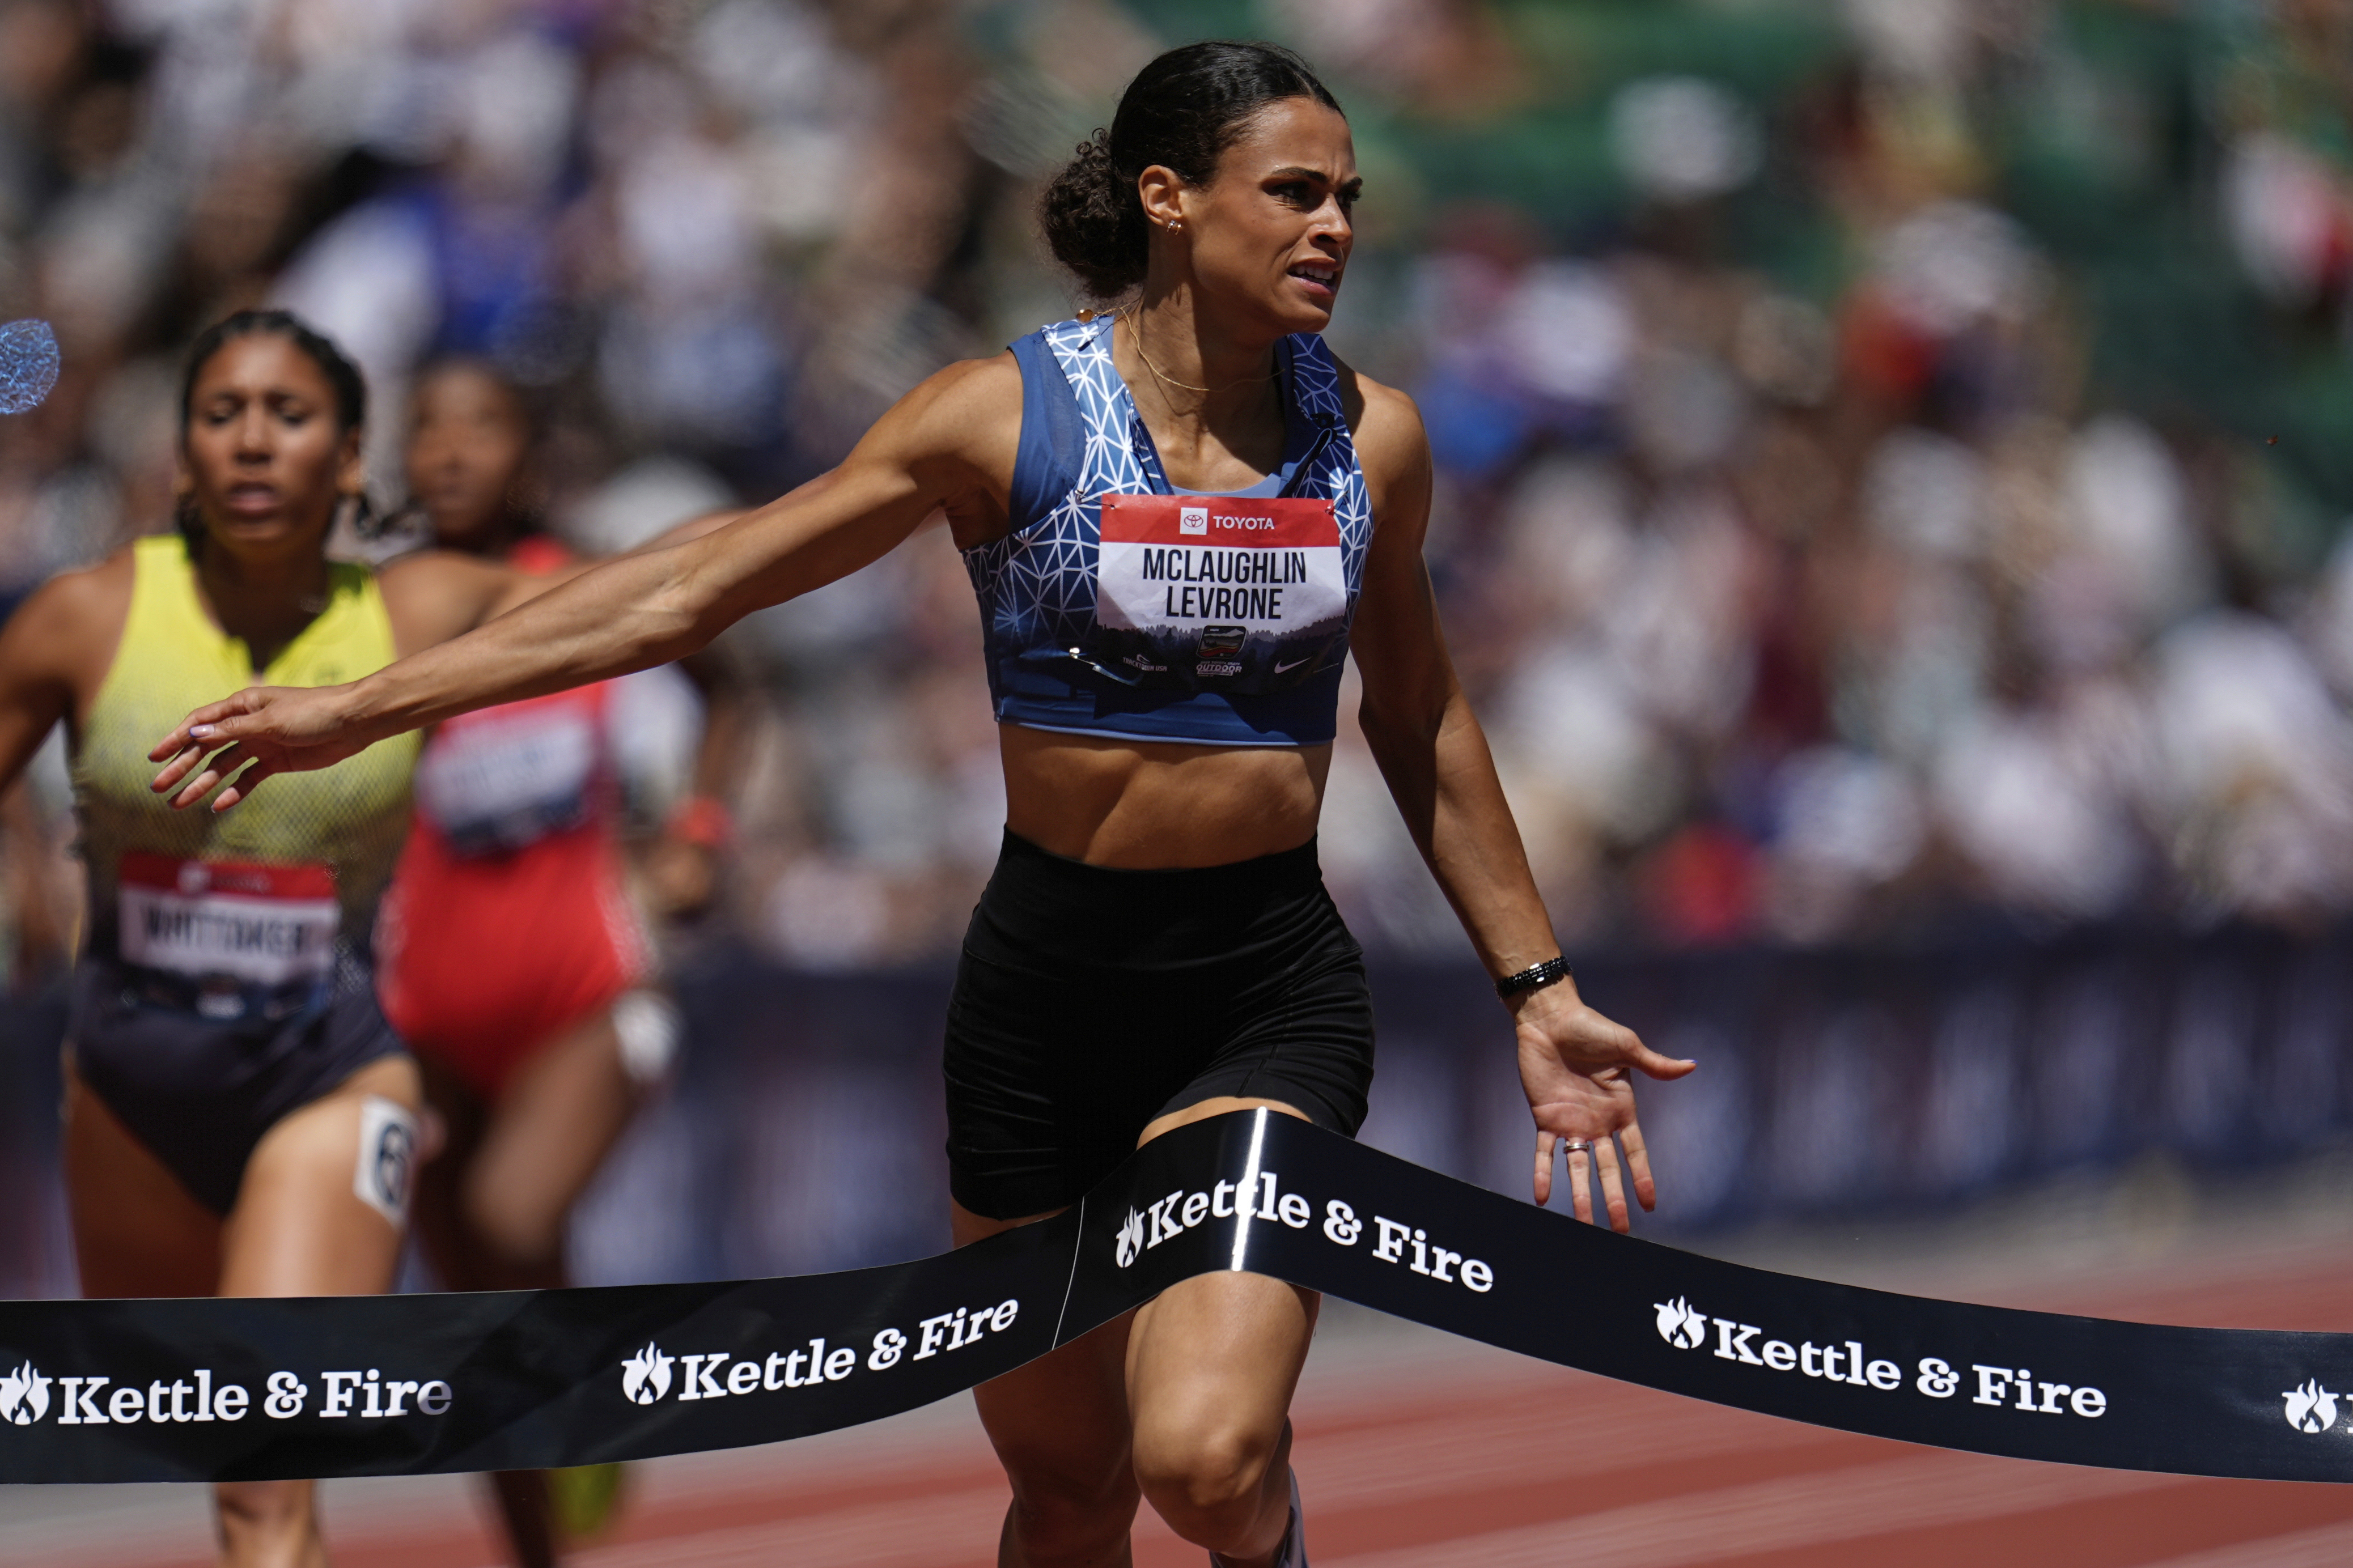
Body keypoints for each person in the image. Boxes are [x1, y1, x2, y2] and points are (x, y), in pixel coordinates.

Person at [151, 44, 1694, 1568]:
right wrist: (354, 709)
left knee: (1208, 1461)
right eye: (1294, 192)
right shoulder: (1000, 419)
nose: (1337, 227)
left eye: (1348, 196)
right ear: (1169, 198)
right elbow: (692, 586)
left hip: (1259, 985)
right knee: (1074, 1498)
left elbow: (1418, 713)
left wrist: (1537, 985)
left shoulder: (1373, 440)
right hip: (1041, 1001)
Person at [0, 307, 613, 1568]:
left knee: (265, 1475)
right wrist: (23, 874)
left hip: (325, 1078)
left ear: (347, 463)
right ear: (180, 458)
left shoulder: (418, 606)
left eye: (290, 417)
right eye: (221, 416)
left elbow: (660, 596)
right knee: (196, 1434)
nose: (253, 443)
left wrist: (885, 493)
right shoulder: (83, 619)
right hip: (123, 1094)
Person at [374, 358, 740, 1565]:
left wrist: (695, 833)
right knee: (466, 1310)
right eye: (426, 428)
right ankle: (540, 1548)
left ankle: (589, 1389)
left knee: (512, 1212)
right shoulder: (380, 612)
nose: (450, 452)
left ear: (531, 453)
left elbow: (730, 689)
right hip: (422, 1013)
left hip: (584, 992)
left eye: (481, 426)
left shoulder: (586, 590)